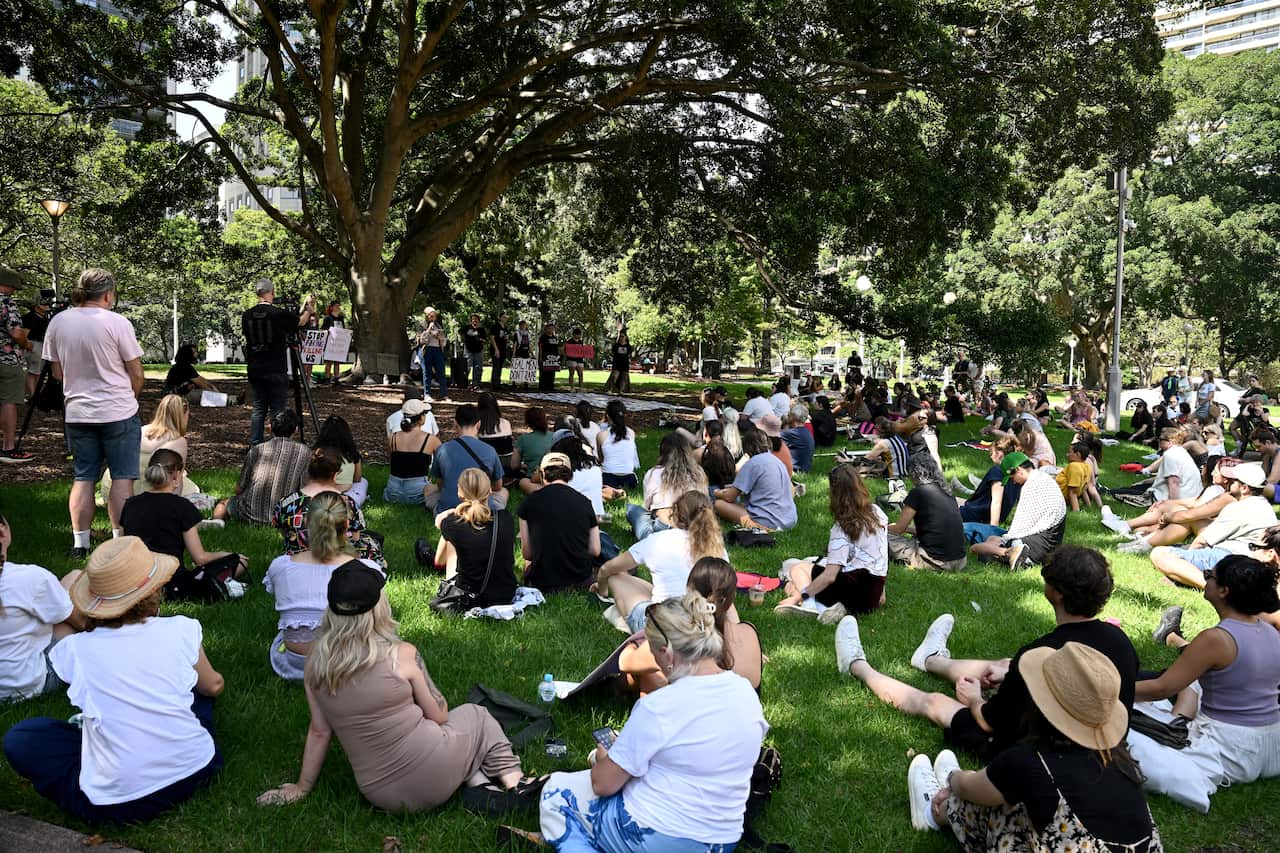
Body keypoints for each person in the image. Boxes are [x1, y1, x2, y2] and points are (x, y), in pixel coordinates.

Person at [257, 561, 539, 814]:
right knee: (475, 716)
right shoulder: (401, 654)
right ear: (379, 606)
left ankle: (479, 785)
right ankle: (515, 779)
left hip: (381, 795)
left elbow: (320, 731)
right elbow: (439, 716)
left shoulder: (315, 665)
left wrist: (302, 787)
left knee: (453, 740)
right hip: (435, 769)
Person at [836, 545, 1139, 762]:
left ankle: (858, 666)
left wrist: (974, 699)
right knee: (1006, 665)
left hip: (1032, 751)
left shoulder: (1041, 653)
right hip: (1099, 746)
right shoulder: (1121, 643)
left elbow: (990, 722)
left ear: (1055, 591)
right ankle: (930, 659)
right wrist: (1011, 673)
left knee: (935, 702)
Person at [3, 537, 225, 824]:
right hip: (198, 767)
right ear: (154, 588)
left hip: (117, 805)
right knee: (197, 687)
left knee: (23, 738)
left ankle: (102, 759)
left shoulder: (75, 648)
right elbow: (213, 685)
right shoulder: (181, 627)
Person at [537, 592, 767, 851]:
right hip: (722, 839)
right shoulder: (745, 692)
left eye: (652, 652)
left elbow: (603, 784)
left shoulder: (659, 706)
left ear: (667, 653)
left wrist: (603, 759)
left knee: (555, 791)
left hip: (661, 836)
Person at [907, 643, 1162, 852]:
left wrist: (953, 781)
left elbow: (971, 788)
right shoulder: (1117, 757)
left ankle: (933, 812)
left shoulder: (1030, 763)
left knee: (987, 804)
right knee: (1019, 800)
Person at [1134, 555, 1280, 811]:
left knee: (1124, 727)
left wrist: (1111, 691)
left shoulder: (1216, 638)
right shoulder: (1269, 631)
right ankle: (1178, 715)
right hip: (1273, 744)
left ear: (1223, 590)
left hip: (1232, 749)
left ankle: (1176, 720)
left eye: (1209, 576)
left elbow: (1162, 688)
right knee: (1196, 683)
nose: (1205, 579)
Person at [41, 269, 145, 554]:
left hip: (78, 411)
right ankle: (119, 543)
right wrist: (130, 397)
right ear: (108, 294)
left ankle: (80, 544)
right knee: (122, 478)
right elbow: (136, 371)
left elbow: (57, 372)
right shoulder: (117, 322)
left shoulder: (58, 322)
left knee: (83, 476)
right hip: (117, 410)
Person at [265, 492, 382, 679]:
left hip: (295, 664)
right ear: (346, 525)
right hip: (348, 664)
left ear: (307, 521)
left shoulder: (282, 566)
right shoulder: (368, 570)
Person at [613, 557, 763, 696]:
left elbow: (625, 662)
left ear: (689, 591)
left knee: (648, 669)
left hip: (687, 715)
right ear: (732, 599)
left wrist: (633, 645)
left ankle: (613, 691)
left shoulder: (678, 636)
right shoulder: (749, 631)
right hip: (739, 714)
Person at [121, 449, 249, 602]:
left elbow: (124, 548)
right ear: (176, 475)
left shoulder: (131, 504)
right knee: (240, 561)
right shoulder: (182, 506)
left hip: (135, 580)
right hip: (171, 582)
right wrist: (227, 554)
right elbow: (200, 558)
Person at [597, 491, 725, 632]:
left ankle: (632, 626)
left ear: (674, 513)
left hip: (663, 629)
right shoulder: (718, 548)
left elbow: (607, 569)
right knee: (637, 583)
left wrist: (602, 591)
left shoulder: (658, 540)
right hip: (704, 624)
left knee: (616, 577)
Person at [775, 463, 888, 621]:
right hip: (872, 595)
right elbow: (881, 555)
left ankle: (810, 605)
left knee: (797, 569)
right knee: (791, 584)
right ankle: (825, 606)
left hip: (852, 591)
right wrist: (882, 591)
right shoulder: (878, 513)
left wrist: (799, 596)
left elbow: (830, 576)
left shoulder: (842, 528)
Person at [0, 508, 84, 701]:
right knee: (75, 579)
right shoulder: (30, 578)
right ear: (2, 531)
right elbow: (80, 622)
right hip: (23, 686)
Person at [1148, 462, 1276, 588]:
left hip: (1228, 557)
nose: (1228, 482)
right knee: (1179, 548)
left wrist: (1186, 561)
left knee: (1160, 553)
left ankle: (1210, 586)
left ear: (1244, 488)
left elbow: (1201, 542)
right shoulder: (1265, 507)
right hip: (1245, 561)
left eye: (1233, 480)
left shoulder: (1238, 508)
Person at [273, 447, 385, 568]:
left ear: (309, 471)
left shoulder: (286, 503)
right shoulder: (347, 502)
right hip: (338, 560)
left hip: (296, 557)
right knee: (371, 542)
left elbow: (285, 533)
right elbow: (355, 538)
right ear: (335, 475)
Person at [240, 277, 316, 444]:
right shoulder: (278, 314)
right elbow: (300, 322)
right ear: (271, 293)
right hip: (275, 367)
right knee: (277, 409)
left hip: (255, 368)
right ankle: (279, 443)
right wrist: (308, 310)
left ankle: (255, 444)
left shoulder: (246, 315)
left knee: (258, 408)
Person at [1108, 457, 1234, 554]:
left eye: (1216, 472)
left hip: (1221, 539)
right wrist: (1168, 504)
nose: (1212, 473)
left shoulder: (1227, 496)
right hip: (1215, 531)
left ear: (1226, 478)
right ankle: (1139, 539)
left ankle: (1142, 542)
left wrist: (1169, 517)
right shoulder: (1225, 492)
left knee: (1187, 519)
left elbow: (1195, 512)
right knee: (1179, 514)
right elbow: (1194, 503)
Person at [434, 469, 519, 606]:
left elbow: (439, 562)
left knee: (451, 541)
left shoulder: (453, 524)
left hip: (468, 596)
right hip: (505, 593)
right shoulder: (505, 518)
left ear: (460, 493)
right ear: (490, 491)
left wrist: (447, 519)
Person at [519, 452, 600, 593]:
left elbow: (527, 554)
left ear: (542, 474)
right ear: (570, 475)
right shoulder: (585, 502)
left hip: (542, 581)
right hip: (581, 579)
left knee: (527, 564)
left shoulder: (529, 502)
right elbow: (595, 549)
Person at [100, 393, 203, 504]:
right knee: (192, 489)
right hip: (145, 495)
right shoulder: (178, 441)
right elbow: (176, 479)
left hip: (113, 491)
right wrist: (174, 505)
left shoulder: (139, 430)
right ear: (182, 416)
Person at [213, 410, 311, 525]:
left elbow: (239, 489)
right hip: (284, 515)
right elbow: (304, 490)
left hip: (249, 513)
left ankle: (216, 523)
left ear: (271, 427)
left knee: (223, 504)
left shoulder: (257, 450)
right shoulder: (305, 453)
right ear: (296, 430)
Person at [970, 457, 1067, 572]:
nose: (1014, 482)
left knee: (977, 549)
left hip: (1035, 549)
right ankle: (1006, 551)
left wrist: (1005, 541)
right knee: (992, 539)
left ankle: (1009, 553)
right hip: (1051, 546)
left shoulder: (1030, 486)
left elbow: (1018, 528)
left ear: (1019, 470)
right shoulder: (1044, 478)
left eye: (1012, 478)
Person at [887, 454, 966, 572]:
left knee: (883, 536)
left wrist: (885, 527)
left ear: (913, 473)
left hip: (935, 561)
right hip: (960, 561)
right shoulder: (947, 492)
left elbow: (899, 529)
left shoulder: (918, 493)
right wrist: (909, 529)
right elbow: (936, 528)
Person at [627, 432, 708, 540]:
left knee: (633, 510)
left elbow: (647, 506)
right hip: (693, 525)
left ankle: (648, 538)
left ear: (663, 452)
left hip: (663, 527)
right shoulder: (699, 474)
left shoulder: (654, 473)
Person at [429, 404, 508, 516]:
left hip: (448, 510)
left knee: (428, 489)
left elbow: (440, 484)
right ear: (479, 424)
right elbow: (498, 486)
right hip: (482, 506)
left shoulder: (443, 449)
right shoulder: (490, 450)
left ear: (455, 423)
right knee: (504, 492)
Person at [713, 429, 797, 531]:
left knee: (719, 504)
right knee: (741, 505)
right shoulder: (777, 461)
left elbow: (729, 497)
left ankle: (759, 527)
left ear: (747, 447)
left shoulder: (752, 463)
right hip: (790, 519)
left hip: (769, 521)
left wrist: (717, 493)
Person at [957, 443, 1022, 544]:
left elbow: (996, 502)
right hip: (981, 508)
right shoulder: (1017, 474)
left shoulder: (998, 470)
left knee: (940, 504)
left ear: (999, 454)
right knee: (951, 498)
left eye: (992, 453)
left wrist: (993, 530)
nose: (991, 456)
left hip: (977, 515)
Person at [384, 399, 443, 507]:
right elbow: (442, 466)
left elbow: (391, 459)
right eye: (424, 414)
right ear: (421, 418)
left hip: (392, 493)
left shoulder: (393, 437)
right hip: (418, 494)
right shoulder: (431, 440)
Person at [316, 415, 368, 507]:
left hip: (320, 492)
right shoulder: (352, 454)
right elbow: (357, 479)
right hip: (346, 493)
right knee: (363, 482)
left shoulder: (317, 452)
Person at [597, 400, 640, 490]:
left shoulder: (601, 435)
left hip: (608, 479)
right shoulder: (631, 433)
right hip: (629, 479)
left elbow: (600, 458)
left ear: (608, 417)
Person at [19, 285, 51, 401]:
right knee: (34, 372)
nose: (47, 304)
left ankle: (35, 395)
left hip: (41, 346)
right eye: (44, 302)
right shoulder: (29, 317)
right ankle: (33, 396)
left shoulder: (45, 318)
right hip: (34, 346)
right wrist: (28, 345)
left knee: (37, 372)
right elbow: (24, 334)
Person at [513, 405, 555, 481]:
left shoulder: (523, 439)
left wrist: (523, 465)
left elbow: (514, 465)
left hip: (532, 477)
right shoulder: (555, 436)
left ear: (528, 422)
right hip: (553, 476)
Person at [416, 307, 449, 402]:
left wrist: (441, 338)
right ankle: (427, 394)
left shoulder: (438, 325)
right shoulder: (421, 325)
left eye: (434, 316)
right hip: (426, 350)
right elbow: (422, 340)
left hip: (438, 350)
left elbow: (444, 341)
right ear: (426, 316)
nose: (433, 318)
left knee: (441, 372)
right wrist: (429, 330)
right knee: (427, 372)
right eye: (431, 315)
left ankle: (444, 394)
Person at [1056, 442, 1092, 512]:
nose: (1067, 454)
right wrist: (1089, 506)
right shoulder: (1087, 466)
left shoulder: (1074, 466)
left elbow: (1073, 492)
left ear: (1078, 454)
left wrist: (1076, 510)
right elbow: (1083, 489)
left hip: (1058, 497)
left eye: (1070, 452)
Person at [782, 404, 815, 473]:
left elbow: (770, 439)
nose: (788, 416)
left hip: (795, 470)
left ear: (793, 417)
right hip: (804, 468)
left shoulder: (790, 433)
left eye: (789, 414)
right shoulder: (805, 431)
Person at [319, 300, 346, 385]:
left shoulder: (341, 318)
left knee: (337, 362)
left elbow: (343, 330)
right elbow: (323, 329)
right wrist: (328, 332)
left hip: (339, 344)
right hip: (330, 343)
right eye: (336, 306)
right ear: (332, 307)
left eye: (339, 306)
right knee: (329, 362)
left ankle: (336, 379)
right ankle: (327, 378)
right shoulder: (327, 318)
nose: (338, 307)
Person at [461, 313, 486, 391]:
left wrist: (479, 339)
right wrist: (464, 340)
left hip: (478, 350)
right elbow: (460, 332)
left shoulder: (482, 330)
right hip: (468, 350)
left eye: (476, 319)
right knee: (467, 367)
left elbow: (484, 340)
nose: (474, 321)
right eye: (473, 319)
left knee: (478, 367)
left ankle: (476, 384)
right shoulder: (467, 328)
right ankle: (464, 383)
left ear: (478, 321)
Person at [603, 327, 631, 394]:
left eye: (623, 336)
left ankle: (621, 390)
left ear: (626, 337)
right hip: (617, 363)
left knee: (624, 377)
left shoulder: (628, 346)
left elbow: (629, 355)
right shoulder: (616, 345)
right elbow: (613, 353)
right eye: (620, 336)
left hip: (625, 364)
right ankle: (610, 390)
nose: (621, 338)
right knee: (614, 376)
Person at [488, 311, 511, 389]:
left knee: (500, 367)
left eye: (506, 318)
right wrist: (496, 349)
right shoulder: (495, 327)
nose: (505, 319)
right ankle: (494, 384)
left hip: (503, 349)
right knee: (496, 367)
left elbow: (506, 339)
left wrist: (507, 340)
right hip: (496, 349)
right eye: (504, 317)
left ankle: (498, 383)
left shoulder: (506, 328)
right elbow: (492, 338)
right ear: (500, 318)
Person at [537, 321, 561, 392]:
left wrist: (558, 358)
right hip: (544, 357)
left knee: (552, 373)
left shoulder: (555, 338)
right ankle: (542, 387)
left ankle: (550, 387)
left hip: (554, 359)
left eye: (552, 328)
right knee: (544, 373)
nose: (551, 330)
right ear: (546, 329)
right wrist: (540, 357)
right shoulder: (543, 337)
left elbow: (557, 348)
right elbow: (540, 347)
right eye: (549, 328)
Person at [564, 326, 586, 391]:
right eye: (577, 334)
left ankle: (581, 388)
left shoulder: (581, 342)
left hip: (580, 359)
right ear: (574, 334)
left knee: (581, 374)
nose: (579, 336)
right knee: (571, 373)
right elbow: (565, 350)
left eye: (580, 335)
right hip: (571, 359)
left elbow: (582, 350)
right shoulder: (569, 341)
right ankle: (572, 387)